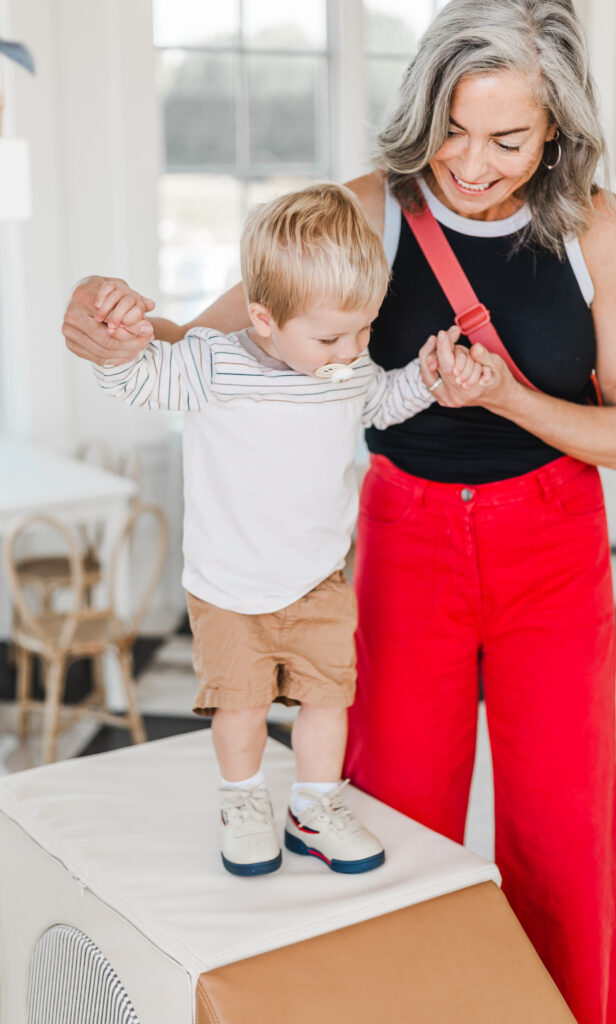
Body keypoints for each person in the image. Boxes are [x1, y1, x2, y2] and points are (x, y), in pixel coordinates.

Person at [63, 1, 616, 1019]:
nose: (469, 164)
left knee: (560, 830)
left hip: (551, 539)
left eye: (506, 139)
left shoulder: (594, 225)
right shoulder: (368, 209)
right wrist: (109, 326)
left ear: (555, 128)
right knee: (389, 813)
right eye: (450, 128)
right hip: (405, 533)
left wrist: (504, 394)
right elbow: (215, 340)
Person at [88, 182, 486, 878]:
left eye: (363, 330)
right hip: (229, 586)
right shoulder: (211, 362)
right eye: (332, 336)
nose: (351, 349)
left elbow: (380, 403)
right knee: (240, 712)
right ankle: (242, 802)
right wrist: (119, 347)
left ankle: (314, 804)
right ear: (265, 319)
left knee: (328, 701)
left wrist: (423, 377)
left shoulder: (344, 368)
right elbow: (139, 382)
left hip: (318, 578)